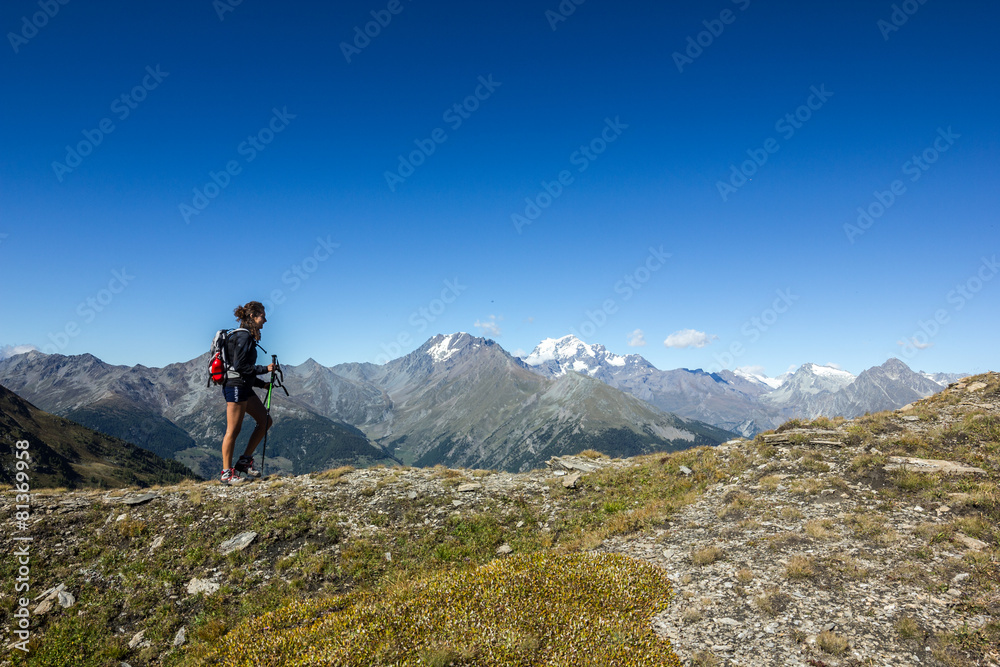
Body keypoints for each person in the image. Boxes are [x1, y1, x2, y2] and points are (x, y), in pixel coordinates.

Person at [219, 301, 276, 485]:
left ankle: (244, 461)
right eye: (262, 316)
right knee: (233, 431)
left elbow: (244, 370)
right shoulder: (243, 337)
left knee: (265, 421)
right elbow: (241, 366)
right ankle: (227, 474)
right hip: (235, 387)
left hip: (243, 386)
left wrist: (262, 384)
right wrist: (265, 369)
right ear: (252, 316)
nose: (265, 320)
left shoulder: (243, 336)